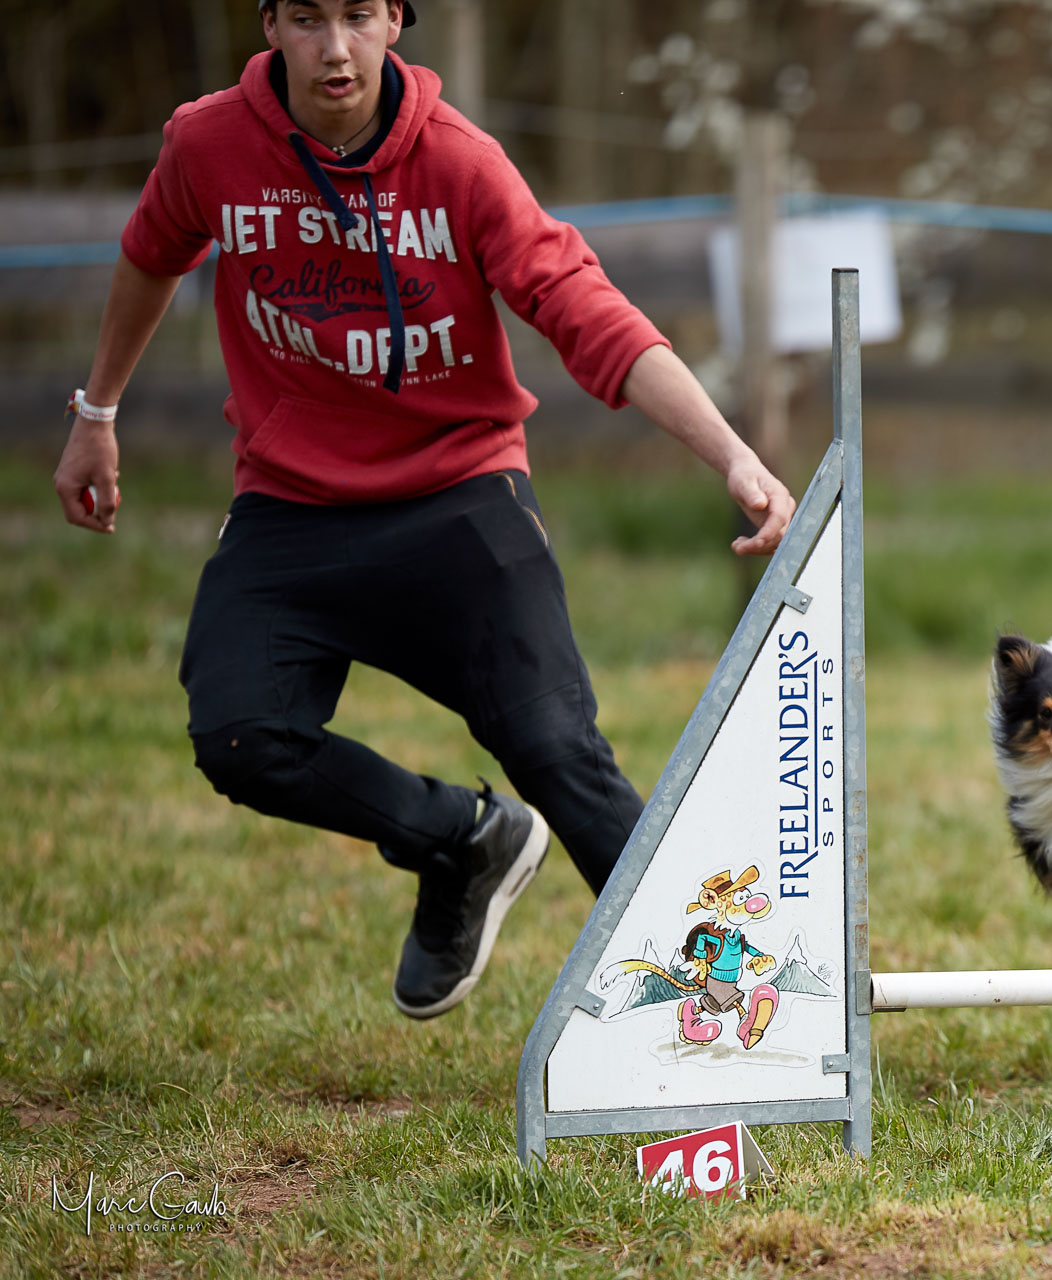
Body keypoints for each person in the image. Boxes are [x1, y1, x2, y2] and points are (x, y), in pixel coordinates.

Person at [50, 0, 795, 1021]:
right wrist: (96, 413)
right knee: (240, 734)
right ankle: (464, 841)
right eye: (307, 18)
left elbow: (587, 313)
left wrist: (733, 453)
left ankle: (723, 1010)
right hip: (291, 505)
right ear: (268, 25)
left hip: (458, 498)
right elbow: (150, 251)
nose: (335, 48)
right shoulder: (208, 144)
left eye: (359, 14)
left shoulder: (461, 164)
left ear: (397, 20)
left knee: (555, 750)